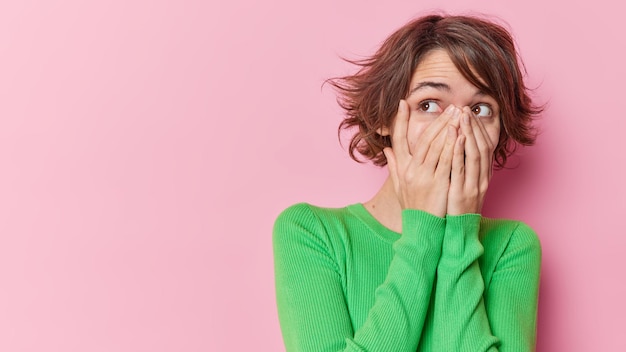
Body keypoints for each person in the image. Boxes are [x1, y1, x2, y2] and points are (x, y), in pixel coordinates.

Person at [273, 13, 542, 352]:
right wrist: (422, 231)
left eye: (480, 109)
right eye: (429, 104)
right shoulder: (311, 233)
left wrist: (459, 231)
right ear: (384, 118)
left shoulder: (511, 247)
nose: (456, 128)